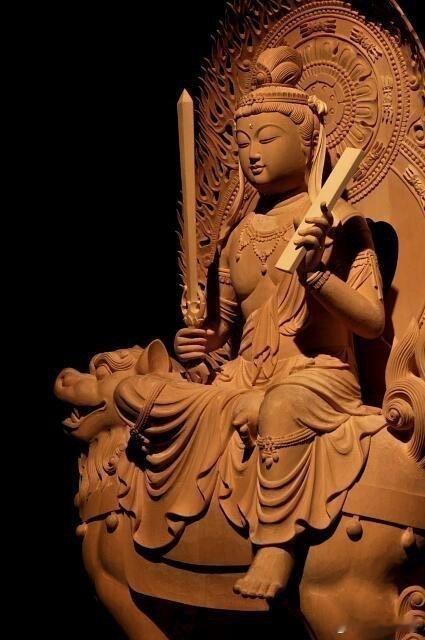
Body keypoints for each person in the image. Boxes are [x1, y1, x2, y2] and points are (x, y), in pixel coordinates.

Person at [174, 45, 385, 599]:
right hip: (246, 373)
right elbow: (224, 332)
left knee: (280, 407)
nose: (252, 154)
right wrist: (198, 342)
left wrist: (317, 275)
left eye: (266, 139)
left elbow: (371, 322)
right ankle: (177, 543)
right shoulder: (238, 235)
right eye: (243, 143)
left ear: (308, 141)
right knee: (153, 398)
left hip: (316, 376)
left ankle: (275, 545)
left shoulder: (339, 224)